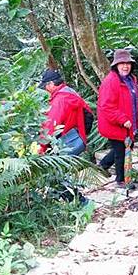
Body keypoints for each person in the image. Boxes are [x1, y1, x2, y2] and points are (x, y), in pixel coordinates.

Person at [37, 68, 93, 203]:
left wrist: (41, 147)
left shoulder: (60, 100)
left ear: (51, 84)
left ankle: (81, 203)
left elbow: (50, 124)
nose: (45, 89)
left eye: (45, 86)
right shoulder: (67, 91)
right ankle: (77, 202)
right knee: (58, 173)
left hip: (69, 141)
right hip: (77, 137)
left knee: (55, 174)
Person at [97, 49, 138, 188]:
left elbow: (137, 99)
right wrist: (123, 119)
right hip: (115, 124)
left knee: (125, 147)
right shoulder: (111, 81)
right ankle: (121, 180)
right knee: (121, 151)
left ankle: (103, 165)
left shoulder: (131, 79)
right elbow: (106, 106)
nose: (125, 66)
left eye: (128, 63)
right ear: (116, 65)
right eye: (122, 63)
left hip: (129, 123)